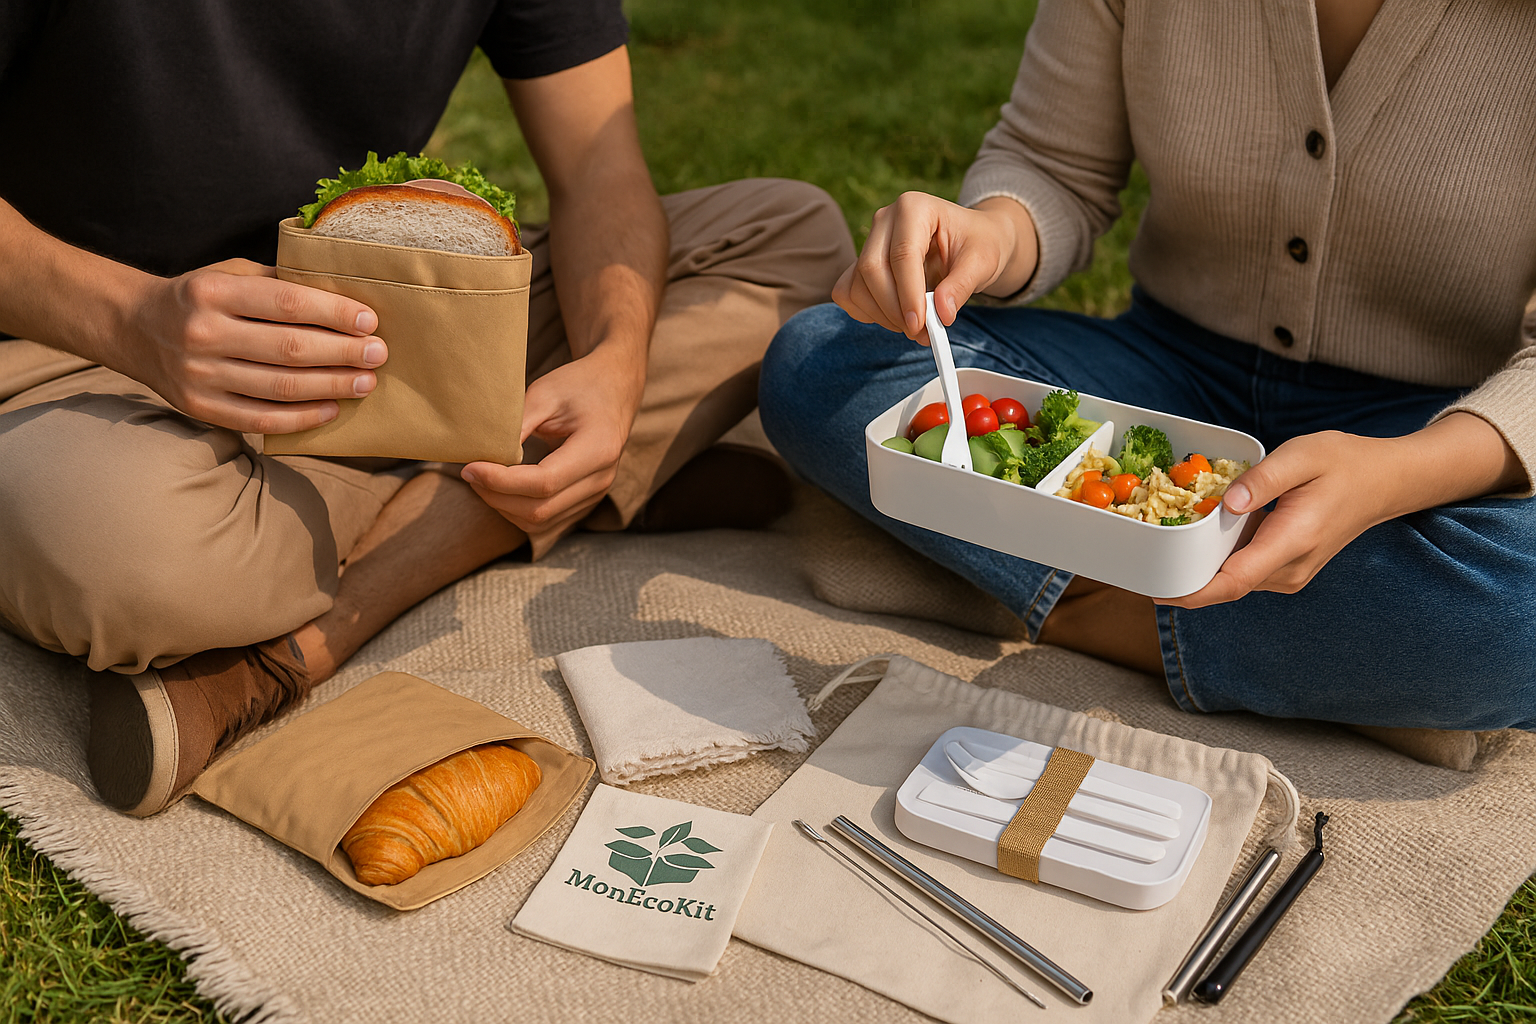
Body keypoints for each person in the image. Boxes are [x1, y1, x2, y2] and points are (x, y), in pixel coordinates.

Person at [0, 1, 854, 815]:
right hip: (65, 337)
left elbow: (600, 168)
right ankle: (553, 481)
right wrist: (132, 319)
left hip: (386, 333)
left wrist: (616, 366)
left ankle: (288, 646)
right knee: (127, 552)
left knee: (791, 234)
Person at [759, 0, 1536, 754]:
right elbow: (1054, 164)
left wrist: (1401, 474)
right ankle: (1311, 650)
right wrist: (988, 234)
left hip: (1432, 423)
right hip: (1166, 373)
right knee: (824, 357)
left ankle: (1089, 599)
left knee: (1520, 611)